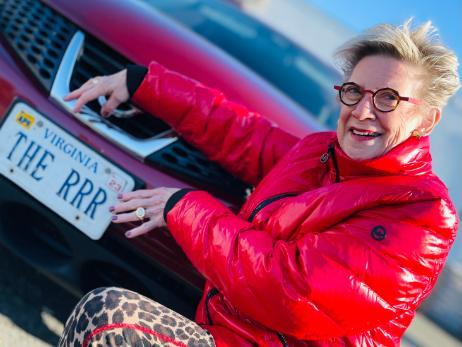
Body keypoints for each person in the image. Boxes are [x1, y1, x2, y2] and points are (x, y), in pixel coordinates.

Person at [59, 19, 460, 347]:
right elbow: (241, 134)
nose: (363, 111)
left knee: (106, 320)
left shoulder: (421, 213)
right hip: (226, 332)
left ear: (426, 120)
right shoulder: (321, 153)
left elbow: (293, 293)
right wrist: (146, 84)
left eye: (388, 98)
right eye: (354, 92)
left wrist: (183, 208)